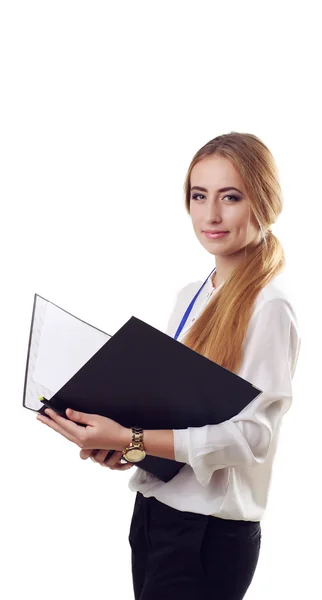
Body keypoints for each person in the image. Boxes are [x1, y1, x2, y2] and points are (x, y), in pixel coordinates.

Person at [36, 131, 301, 599]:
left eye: (230, 197)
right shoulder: (190, 296)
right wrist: (127, 450)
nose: (211, 215)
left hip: (208, 535)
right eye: (199, 196)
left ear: (263, 202)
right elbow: (183, 420)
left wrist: (129, 437)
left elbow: (250, 439)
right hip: (156, 517)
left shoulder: (269, 308)